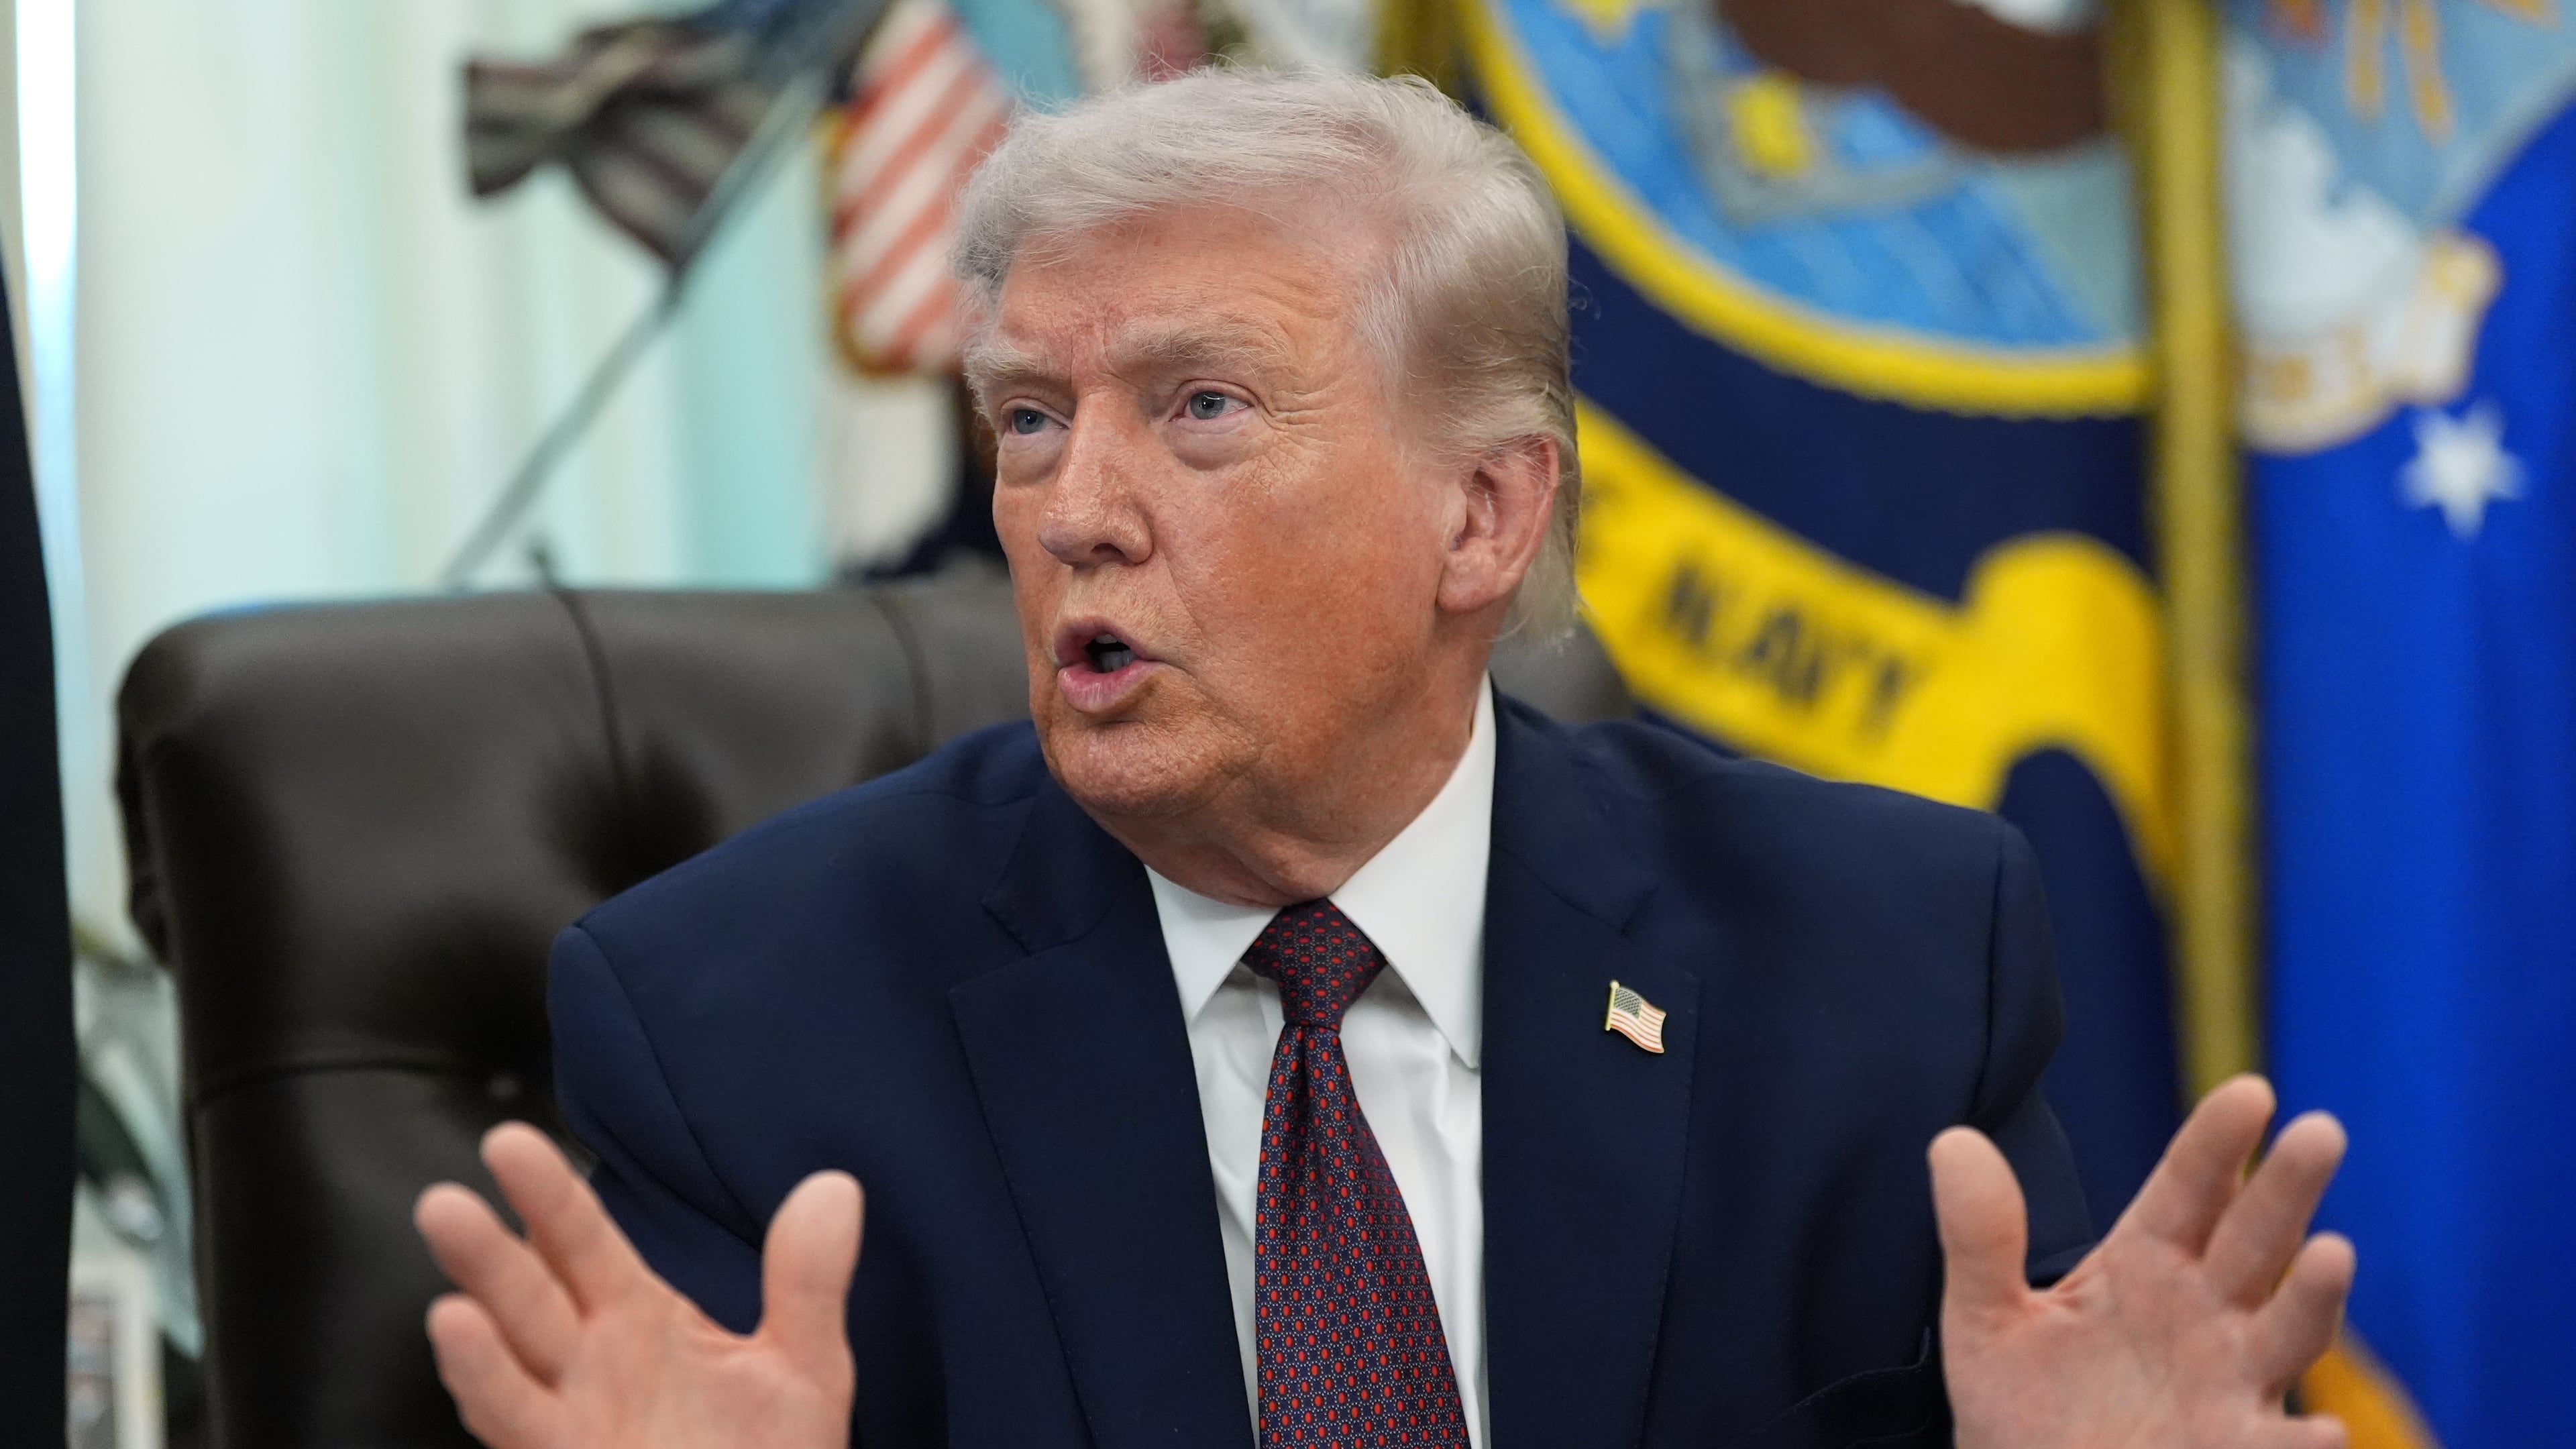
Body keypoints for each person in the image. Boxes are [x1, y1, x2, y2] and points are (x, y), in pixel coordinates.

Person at [411, 68, 2354, 1449]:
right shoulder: (737, 1022)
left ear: (1487, 518)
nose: (1073, 506)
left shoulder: (1883, 961)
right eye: (1025, 418)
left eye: (1200, 407)